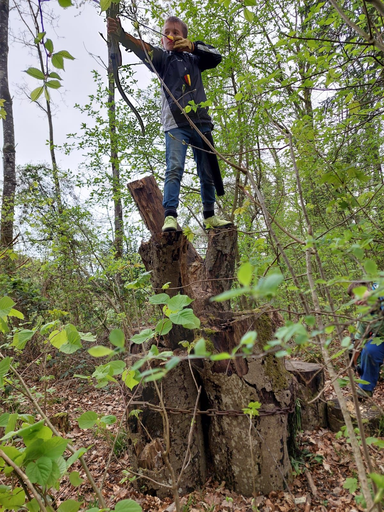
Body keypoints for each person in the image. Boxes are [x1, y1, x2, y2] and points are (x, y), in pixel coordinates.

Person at [107, 15, 232, 232]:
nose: (171, 36)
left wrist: (193, 47)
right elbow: (141, 47)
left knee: (207, 171)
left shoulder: (195, 58)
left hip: (200, 122)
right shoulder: (162, 59)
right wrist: (121, 35)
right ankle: (170, 216)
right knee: (174, 168)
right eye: (167, 32)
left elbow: (217, 56)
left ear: (184, 38)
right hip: (176, 124)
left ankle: (210, 216)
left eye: (176, 33)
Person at [347, 281, 384, 398]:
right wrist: (354, 364)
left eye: (356, 296)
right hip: (380, 339)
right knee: (369, 350)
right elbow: (358, 341)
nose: (356, 302)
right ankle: (366, 390)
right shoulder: (363, 316)